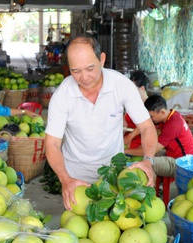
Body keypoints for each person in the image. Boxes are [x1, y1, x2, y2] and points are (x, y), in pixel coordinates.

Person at [44, 35, 158, 209]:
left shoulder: (122, 85)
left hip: (114, 173)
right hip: (76, 176)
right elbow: (52, 144)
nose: (84, 77)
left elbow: (147, 127)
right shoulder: (62, 95)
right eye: (76, 71)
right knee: (80, 229)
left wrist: (148, 159)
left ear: (102, 59)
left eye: (90, 68)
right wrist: (65, 179)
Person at [142, 94, 193, 177]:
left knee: (147, 163)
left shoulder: (173, 124)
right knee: (144, 155)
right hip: (173, 155)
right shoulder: (170, 116)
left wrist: (127, 151)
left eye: (151, 116)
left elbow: (152, 149)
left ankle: (151, 188)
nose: (150, 119)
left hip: (183, 164)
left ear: (162, 112)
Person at [123, 70, 150, 153]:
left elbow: (145, 128)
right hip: (127, 141)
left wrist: (129, 137)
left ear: (142, 88)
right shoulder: (131, 102)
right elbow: (125, 122)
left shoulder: (150, 106)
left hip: (139, 145)